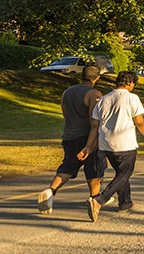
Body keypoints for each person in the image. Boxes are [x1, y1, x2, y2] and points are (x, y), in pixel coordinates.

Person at [79, 71, 144, 221]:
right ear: (130, 83)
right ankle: (99, 200)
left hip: (106, 144)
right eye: (134, 83)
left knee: (121, 173)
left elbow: (95, 126)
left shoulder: (103, 100)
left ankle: (125, 203)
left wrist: (89, 146)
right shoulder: (132, 98)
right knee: (125, 173)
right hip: (125, 143)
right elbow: (139, 121)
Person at [37, 65, 105, 214]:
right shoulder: (94, 93)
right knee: (93, 169)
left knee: (69, 165)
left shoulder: (67, 92)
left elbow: (65, 113)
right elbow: (94, 122)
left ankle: (50, 191)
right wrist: (92, 143)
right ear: (97, 77)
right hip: (86, 136)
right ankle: (94, 199)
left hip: (69, 136)